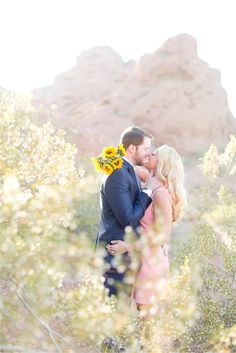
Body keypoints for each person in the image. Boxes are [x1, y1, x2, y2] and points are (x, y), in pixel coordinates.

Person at [107, 145, 187, 319]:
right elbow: (134, 168)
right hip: (141, 258)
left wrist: (128, 246)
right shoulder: (150, 180)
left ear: (163, 163)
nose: (150, 153)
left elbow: (164, 236)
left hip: (151, 261)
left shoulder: (160, 194)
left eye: (154, 154)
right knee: (140, 314)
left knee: (146, 319)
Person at [95, 126, 156, 297]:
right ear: (132, 148)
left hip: (122, 258)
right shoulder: (118, 174)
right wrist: (147, 192)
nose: (147, 153)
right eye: (146, 148)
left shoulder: (128, 171)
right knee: (113, 314)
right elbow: (128, 219)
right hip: (114, 259)